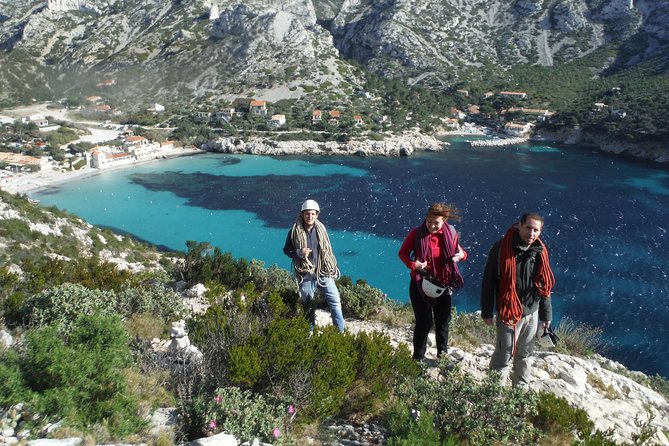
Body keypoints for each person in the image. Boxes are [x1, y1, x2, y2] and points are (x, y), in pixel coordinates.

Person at [480, 212, 556, 386]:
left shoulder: (540, 252)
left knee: (526, 355)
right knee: (503, 355)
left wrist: (546, 317)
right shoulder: (502, 248)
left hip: (532, 311)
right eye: (528, 228)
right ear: (519, 225)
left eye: (536, 230)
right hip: (508, 312)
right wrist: (486, 310)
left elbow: (544, 287)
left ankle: (520, 394)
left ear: (540, 232)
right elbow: (488, 281)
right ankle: (493, 397)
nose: (531, 233)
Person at [398, 203, 467, 360]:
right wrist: (413, 264)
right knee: (424, 323)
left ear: (444, 221)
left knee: (443, 323)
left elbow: (461, 252)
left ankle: (442, 358)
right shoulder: (416, 233)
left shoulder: (451, 234)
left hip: (443, 285)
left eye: (436, 222)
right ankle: (418, 359)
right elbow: (403, 253)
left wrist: (462, 256)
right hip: (419, 284)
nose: (431, 225)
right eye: (429, 221)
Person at [283, 199, 345, 332]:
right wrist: (298, 252)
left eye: (312, 214)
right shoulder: (294, 231)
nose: (310, 217)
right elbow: (286, 250)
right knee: (308, 306)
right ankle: (309, 334)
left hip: (323, 273)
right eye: (307, 214)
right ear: (302, 214)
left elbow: (327, 250)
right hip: (306, 275)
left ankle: (340, 333)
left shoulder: (321, 230)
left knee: (335, 302)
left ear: (317, 215)